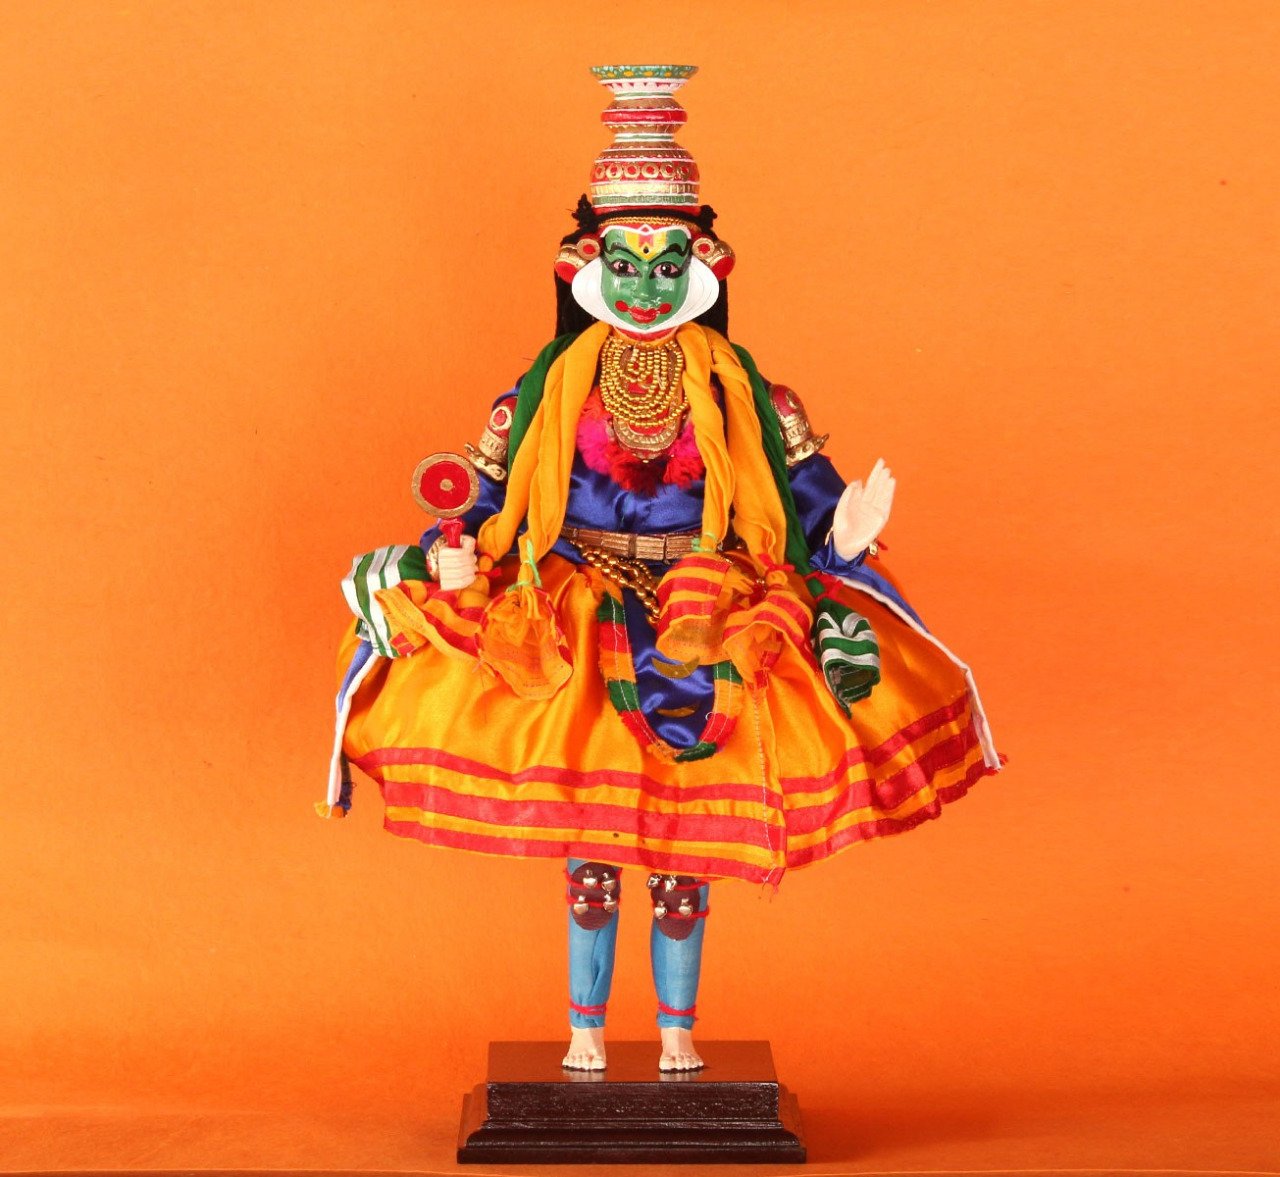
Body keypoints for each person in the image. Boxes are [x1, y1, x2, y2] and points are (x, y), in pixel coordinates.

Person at [323, 64, 1000, 1074]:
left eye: (667, 263)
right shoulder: (538, 394)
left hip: (707, 611)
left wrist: (847, 531)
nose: (647, 288)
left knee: (688, 857)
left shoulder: (751, 397)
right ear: (584, 266)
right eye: (627, 265)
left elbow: (799, 506)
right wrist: (451, 549)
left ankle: (678, 1029)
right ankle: (585, 1030)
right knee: (591, 855)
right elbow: (483, 501)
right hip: (579, 614)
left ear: (706, 265)